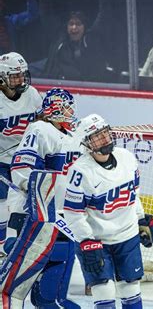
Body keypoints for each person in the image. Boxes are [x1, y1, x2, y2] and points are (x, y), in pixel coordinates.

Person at [64, 113, 153, 308]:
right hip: (97, 241)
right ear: (86, 143)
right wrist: (86, 240)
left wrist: (141, 219)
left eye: (105, 133)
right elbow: (73, 213)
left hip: (127, 235)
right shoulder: (80, 172)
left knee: (131, 287)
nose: (105, 139)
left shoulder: (127, 158)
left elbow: (134, 194)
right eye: (97, 136)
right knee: (103, 290)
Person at [0, 88, 81, 308]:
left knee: (48, 298)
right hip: (31, 216)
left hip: (58, 220)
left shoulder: (73, 137)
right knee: (14, 291)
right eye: (66, 106)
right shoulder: (39, 129)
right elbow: (22, 166)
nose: (71, 110)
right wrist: (38, 194)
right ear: (55, 108)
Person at [0, 52, 42, 258]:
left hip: (26, 159)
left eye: (22, 74)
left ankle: (19, 240)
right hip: (1, 159)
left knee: (24, 202)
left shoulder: (32, 94)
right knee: (1, 202)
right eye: (15, 75)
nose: (21, 79)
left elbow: (43, 124)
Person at [42, 7, 112, 82]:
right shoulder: (60, 45)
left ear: (85, 27)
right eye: (71, 24)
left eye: (78, 24)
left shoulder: (92, 45)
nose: (74, 27)